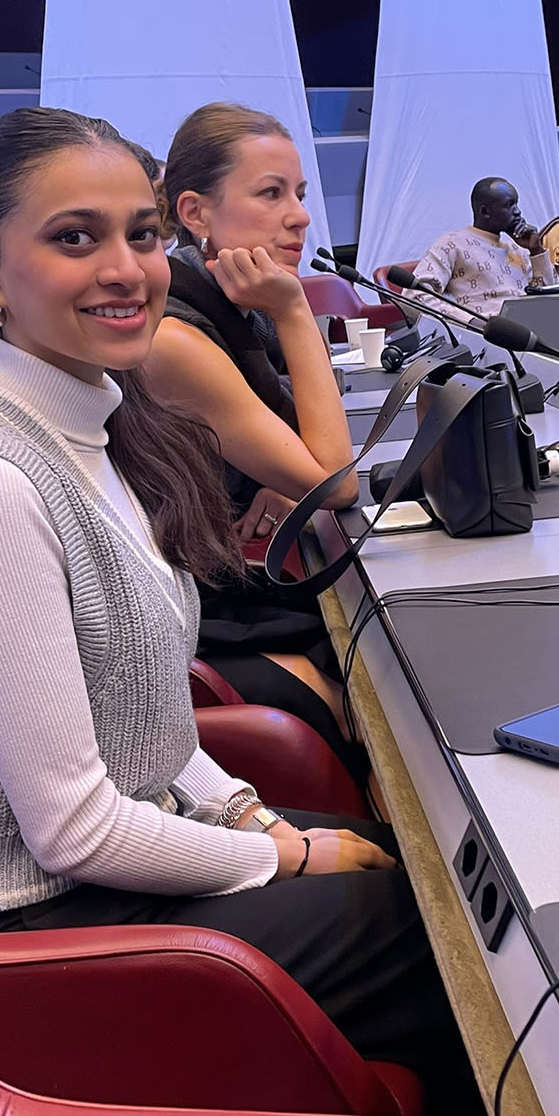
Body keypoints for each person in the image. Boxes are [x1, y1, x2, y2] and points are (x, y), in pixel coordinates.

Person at [0, 106, 480, 1116]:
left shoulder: (103, 431)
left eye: (142, 234)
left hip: (115, 865)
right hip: (39, 928)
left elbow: (149, 714)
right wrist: (280, 852)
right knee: (431, 927)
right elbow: (71, 829)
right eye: (75, 237)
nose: (125, 267)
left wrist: (246, 810)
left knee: (431, 877)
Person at [146, 103, 363, 773]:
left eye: (297, 194)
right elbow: (335, 481)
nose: (299, 215)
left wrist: (272, 468)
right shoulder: (173, 336)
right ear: (196, 212)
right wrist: (297, 308)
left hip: (226, 575)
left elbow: (302, 434)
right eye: (271, 194)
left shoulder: (227, 303)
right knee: (370, 676)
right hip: (190, 614)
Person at [411, 177, 558, 318]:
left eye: (517, 204)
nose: (517, 211)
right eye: (509, 205)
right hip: (483, 336)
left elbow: (553, 297)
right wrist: (469, 321)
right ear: (485, 212)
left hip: (532, 331)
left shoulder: (517, 248)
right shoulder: (451, 244)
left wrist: (536, 251)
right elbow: (415, 295)